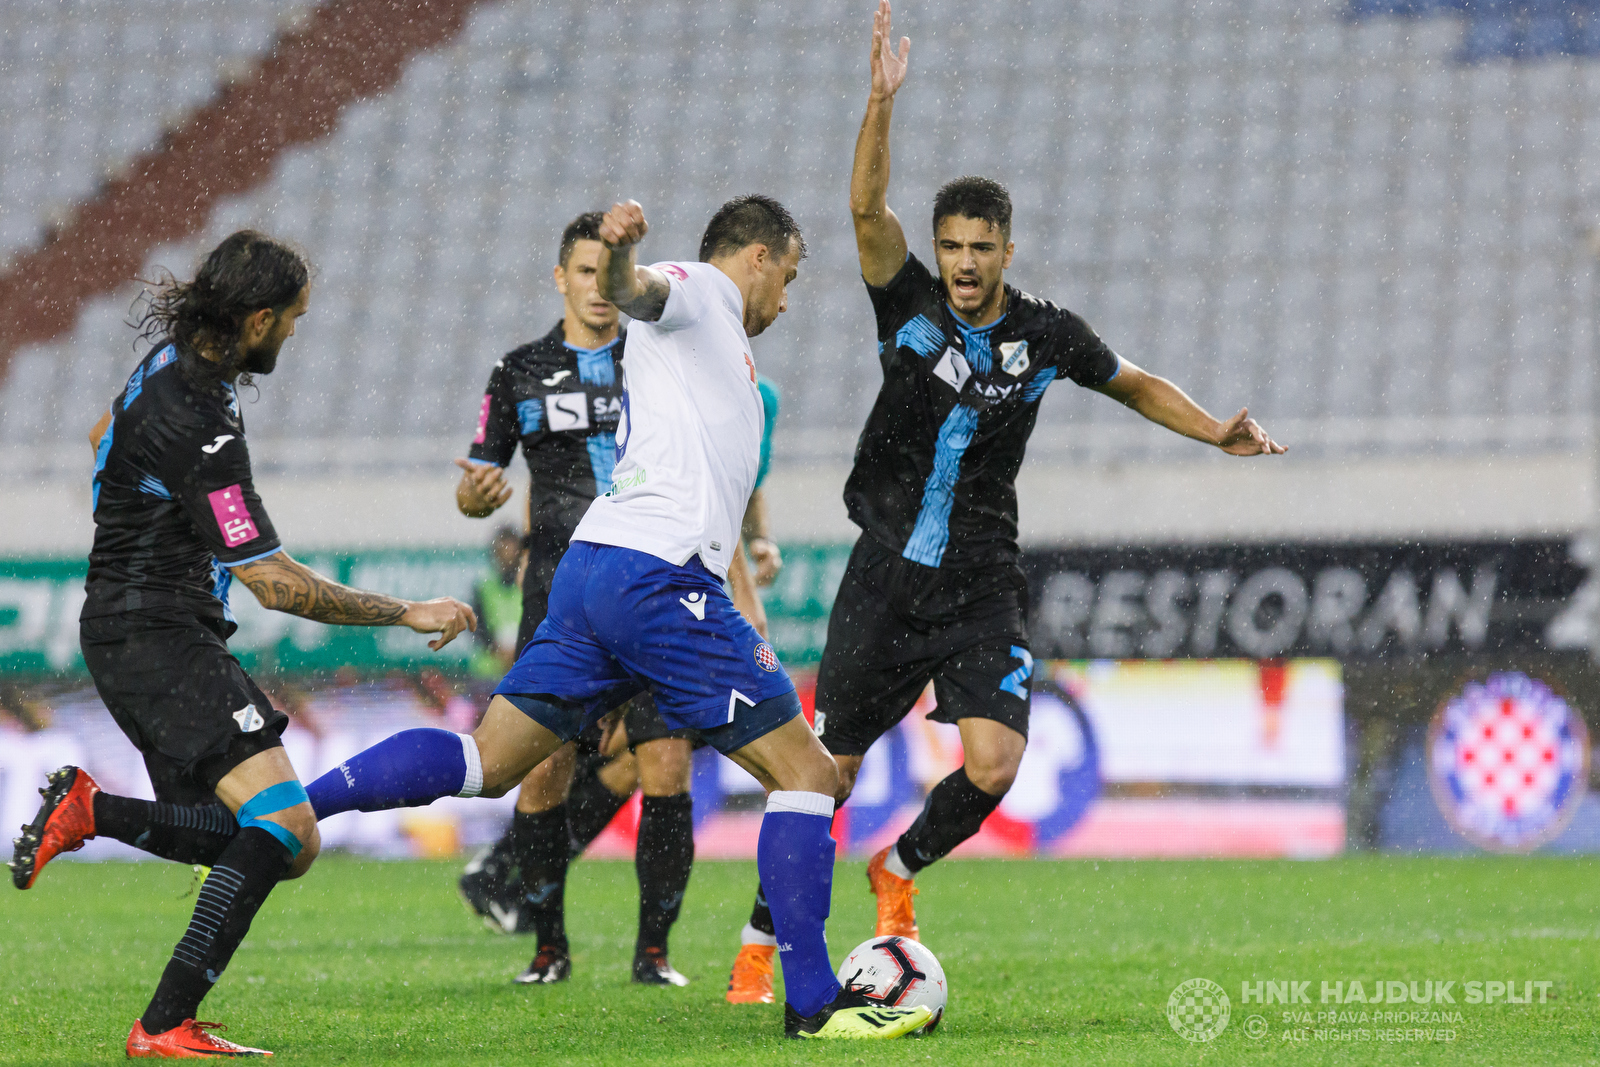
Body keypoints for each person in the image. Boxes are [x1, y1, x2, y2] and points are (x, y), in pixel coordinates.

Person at [724, 0, 1287, 1005]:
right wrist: (878, 106)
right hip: (886, 573)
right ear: (938, 250)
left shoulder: (1047, 334)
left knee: (993, 762)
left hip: (981, 576)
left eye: (982, 247)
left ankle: (896, 869)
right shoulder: (908, 308)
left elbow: (1131, 378)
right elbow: (864, 212)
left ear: (1008, 250)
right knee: (822, 776)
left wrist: (1215, 431)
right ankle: (762, 938)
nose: (966, 264)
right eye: (952, 247)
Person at [301, 196, 931, 1040]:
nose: (789, 295)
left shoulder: (720, 358)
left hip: (591, 569)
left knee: (489, 762)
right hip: (659, 582)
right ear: (755, 257)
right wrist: (626, 259)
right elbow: (647, 291)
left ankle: (291, 807)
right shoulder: (704, 289)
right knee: (812, 777)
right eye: (790, 273)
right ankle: (813, 1001)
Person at [8, 231, 476, 1058]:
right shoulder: (201, 424)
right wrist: (404, 613)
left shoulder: (169, 368)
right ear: (256, 318)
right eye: (292, 319)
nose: (294, 334)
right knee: (286, 832)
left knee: (255, 837)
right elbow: (274, 582)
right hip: (159, 635)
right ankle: (159, 1023)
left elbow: (97, 438)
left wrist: (133, 535)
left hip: (136, 626)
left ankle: (92, 813)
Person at [450, 212, 706, 985]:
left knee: (666, 764)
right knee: (546, 767)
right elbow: (474, 485)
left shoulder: (659, 360)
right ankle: (548, 947)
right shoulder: (519, 369)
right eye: (585, 273)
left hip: (653, 580)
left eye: (610, 272)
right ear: (561, 278)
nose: (600, 289)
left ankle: (654, 953)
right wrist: (475, 491)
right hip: (559, 591)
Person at [469, 526, 525, 679]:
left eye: (511, 552)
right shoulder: (482, 587)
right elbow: (476, 628)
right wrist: (497, 650)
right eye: (502, 552)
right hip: (488, 673)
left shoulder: (528, 586)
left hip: (521, 670)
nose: (506, 558)